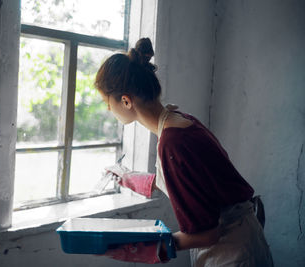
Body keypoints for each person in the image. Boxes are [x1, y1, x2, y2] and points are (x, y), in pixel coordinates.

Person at [94, 37, 274, 266]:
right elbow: (185, 180)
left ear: (126, 101)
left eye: (106, 102)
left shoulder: (173, 141)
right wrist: (128, 178)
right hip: (242, 236)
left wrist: (143, 247)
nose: (108, 109)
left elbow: (208, 234)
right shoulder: (179, 121)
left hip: (233, 251)